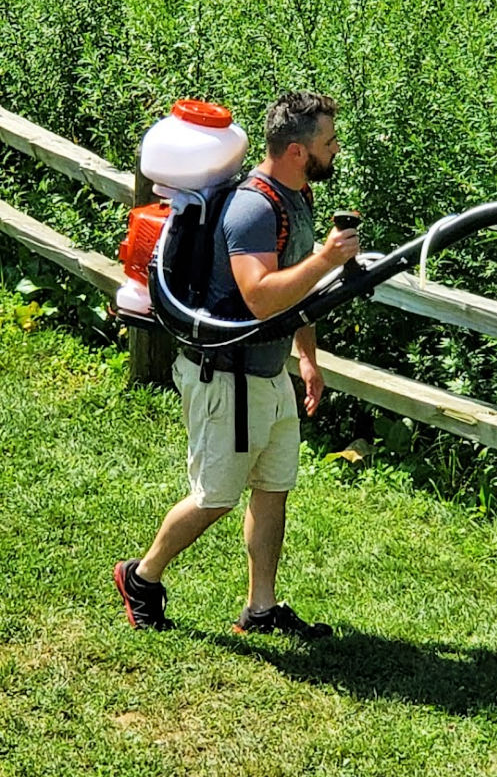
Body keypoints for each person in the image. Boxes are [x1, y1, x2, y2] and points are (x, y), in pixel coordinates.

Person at [114, 91, 359, 637]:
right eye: (328, 141)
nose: (336, 148)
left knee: (273, 489)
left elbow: (298, 291)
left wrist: (307, 356)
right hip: (226, 376)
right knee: (215, 497)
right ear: (297, 151)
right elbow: (260, 297)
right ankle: (142, 575)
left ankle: (261, 609)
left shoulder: (300, 196)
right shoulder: (253, 208)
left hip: (268, 373)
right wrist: (327, 258)